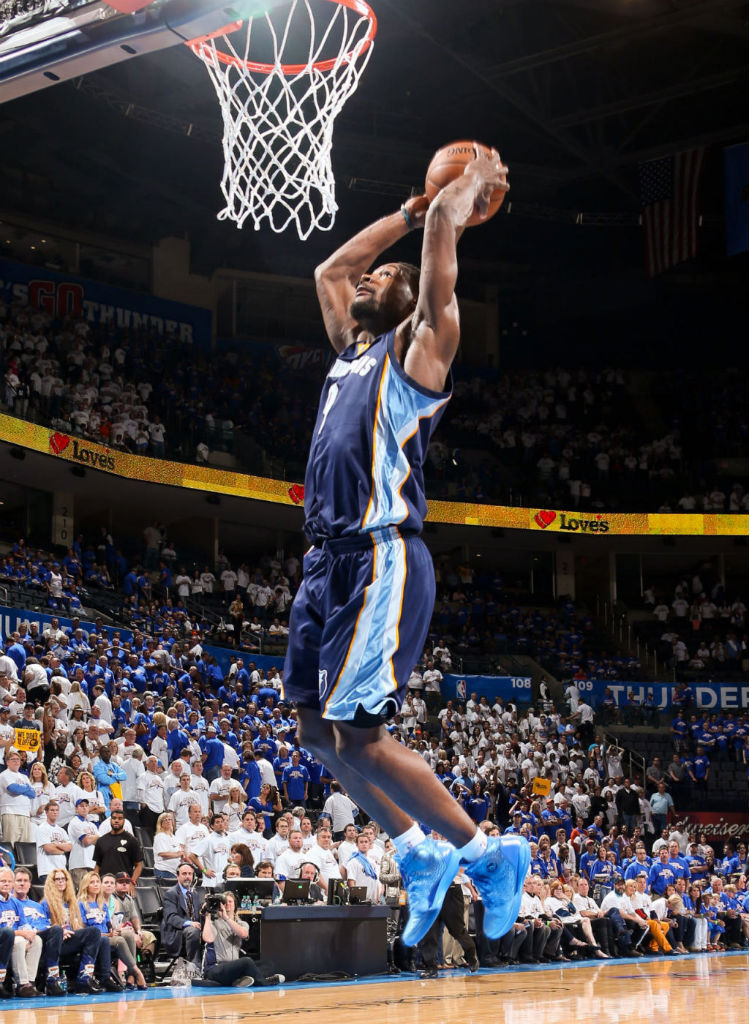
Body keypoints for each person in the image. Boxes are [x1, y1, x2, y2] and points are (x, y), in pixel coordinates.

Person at [282, 147, 527, 947]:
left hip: (381, 555)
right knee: (313, 733)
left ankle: (485, 854)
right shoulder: (349, 349)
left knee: (360, 735)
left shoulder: (418, 350)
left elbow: (433, 280)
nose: (366, 278)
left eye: (382, 275)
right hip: (323, 562)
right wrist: (408, 211)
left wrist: (446, 212)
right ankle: (416, 848)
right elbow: (328, 268)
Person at [198, 890, 284, 987]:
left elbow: (243, 934)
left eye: (230, 901)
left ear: (235, 905)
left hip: (234, 967)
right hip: (216, 968)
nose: (227, 904)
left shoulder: (242, 924)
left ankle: (240, 980)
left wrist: (227, 918)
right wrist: (208, 917)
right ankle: (264, 982)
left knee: (268, 964)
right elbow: (208, 938)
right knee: (246, 961)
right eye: (224, 902)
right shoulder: (214, 923)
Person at [160, 861, 204, 966]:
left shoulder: (195, 894)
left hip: (194, 928)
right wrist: (189, 923)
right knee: (193, 931)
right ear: (177, 876)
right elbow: (171, 917)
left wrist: (205, 911)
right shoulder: (171, 894)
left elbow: (197, 915)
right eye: (184, 874)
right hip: (177, 932)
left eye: (190, 874)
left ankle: (211, 965)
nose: (187, 877)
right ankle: (193, 966)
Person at [91, 808, 143, 883]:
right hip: (105, 884)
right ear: (110, 820)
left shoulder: (132, 840)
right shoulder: (101, 841)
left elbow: (139, 865)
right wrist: (96, 882)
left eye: (120, 818)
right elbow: (98, 865)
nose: (116, 820)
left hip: (123, 883)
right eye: (114, 818)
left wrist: (132, 882)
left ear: (124, 821)